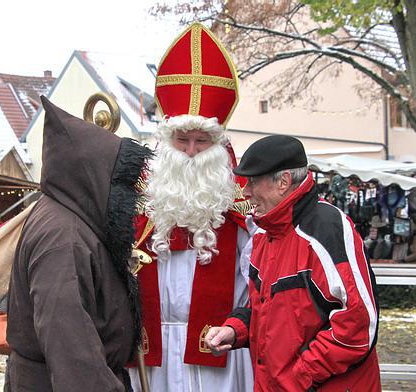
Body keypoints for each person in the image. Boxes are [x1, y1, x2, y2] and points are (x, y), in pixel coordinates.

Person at [129, 22, 254, 392]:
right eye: (183, 139)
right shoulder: (140, 198)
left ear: (219, 145)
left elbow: (258, 282)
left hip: (221, 355)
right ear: (168, 140)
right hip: (149, 354)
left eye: (202, 141)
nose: (191, 152)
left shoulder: (243, 205)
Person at [206, 135, 381, 391]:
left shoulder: (325, 227)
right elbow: (266, 308)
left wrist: (298, 376)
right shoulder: (266, 232)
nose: (245, 191)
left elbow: (358, 326)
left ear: (283, 182)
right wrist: (235, 330)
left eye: (253, 181)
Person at [6, 96, 152, 391]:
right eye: (119, 181)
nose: (126, 193)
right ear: (94, 177)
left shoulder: (68, 219)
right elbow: (70, 348)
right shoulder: (64, 238)